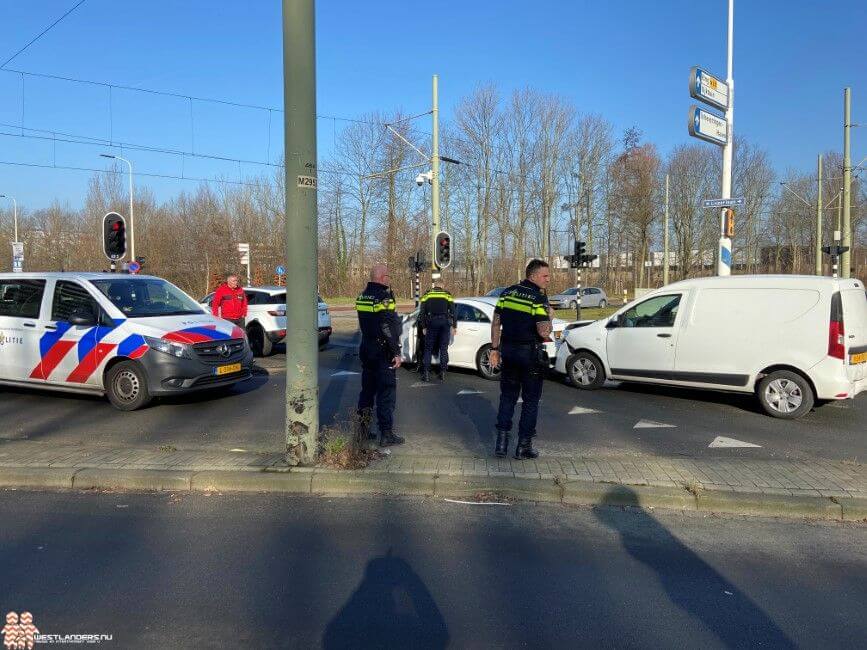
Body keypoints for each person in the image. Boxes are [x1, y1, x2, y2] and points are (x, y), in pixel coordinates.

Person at [489, 259, 554, 459]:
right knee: (530, 401)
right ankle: (523, 446)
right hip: (529, 355)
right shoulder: (537, 298)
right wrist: (550, 316)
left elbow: (496, 322)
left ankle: (501, 444)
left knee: (507, 397)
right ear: (533, 275)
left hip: (508, 352)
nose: (548, 280)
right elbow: (543, 332)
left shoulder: (507, 293)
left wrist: (494, 349)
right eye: (545, 276)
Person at [355, 263, 404, 446]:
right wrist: (396, 352)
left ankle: (363, 432)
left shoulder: (362, 296)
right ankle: (386, 434)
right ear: (383, 277)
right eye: (388, 276)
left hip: (366, 348)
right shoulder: (384, 297)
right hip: (383, 351)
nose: (389, 279)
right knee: (386, 392)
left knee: (367, 392)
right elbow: (386, 326)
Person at [418, 280, 456, 382]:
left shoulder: (427, 294)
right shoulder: (447, 294)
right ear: (442, 286)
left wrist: (423, 326)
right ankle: (442, 372)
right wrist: (454, 326)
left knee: (428, 349)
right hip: (444, 323)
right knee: (443, 348)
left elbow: (422, 312)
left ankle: (426, 374)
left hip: (431, 322)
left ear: (434, 286)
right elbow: (453, 311)